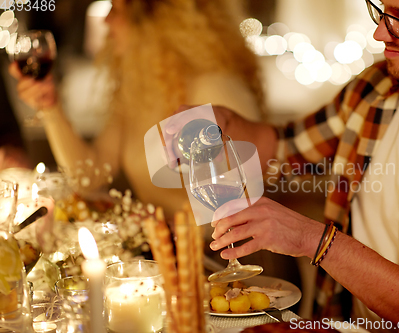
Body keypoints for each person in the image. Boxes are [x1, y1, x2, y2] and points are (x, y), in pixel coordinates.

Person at [171, 0, 399, 330]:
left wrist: (312, 239)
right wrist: (223, 121)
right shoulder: (376, 85)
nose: (380, 32)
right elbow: (285, 147)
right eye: (382, 10)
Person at [9, 0, 265, 215]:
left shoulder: (216, 89)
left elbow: (241, 204)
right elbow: (88, 176)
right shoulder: (139, 92)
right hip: (168, 257)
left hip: (229, 262)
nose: (106, 20)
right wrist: (51, 108)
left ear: (157, 20)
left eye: (116, 10)